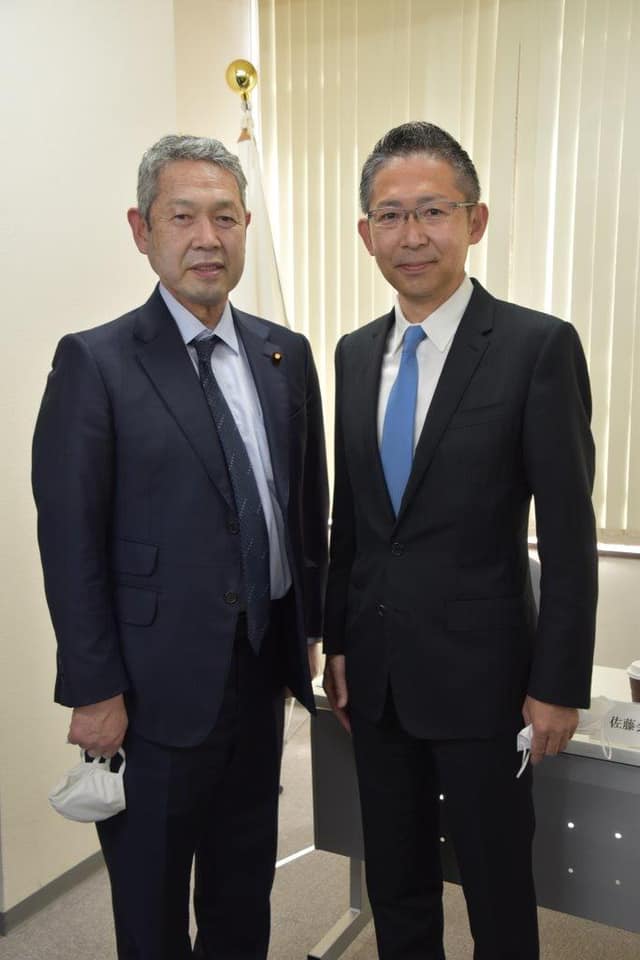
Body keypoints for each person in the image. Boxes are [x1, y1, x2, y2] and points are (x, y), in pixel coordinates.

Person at [32, 134, 328, 960]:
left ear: (246, 228)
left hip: (260, 674)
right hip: (149, 694)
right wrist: (94, 690)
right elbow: (70, 540)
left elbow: (305, 508)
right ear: (142, 230)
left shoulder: (284, 354)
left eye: (225, 218)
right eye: (183, 217)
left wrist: (309, 629)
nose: (208, 238)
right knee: (153, 908)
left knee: (243, 892)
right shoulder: (95, 362)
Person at [322, 122, 597, 960]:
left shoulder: (535, 347)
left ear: (474, 221)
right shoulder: (354, 354)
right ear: (366, 233)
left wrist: (557, 685)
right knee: (397, 885)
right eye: (390, 215)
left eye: (432, 210)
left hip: (486, 683)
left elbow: (570, 535)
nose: (411, 235)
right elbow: (352, 522)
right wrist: (338, 644)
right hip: (377, 682)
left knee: (497, 890)